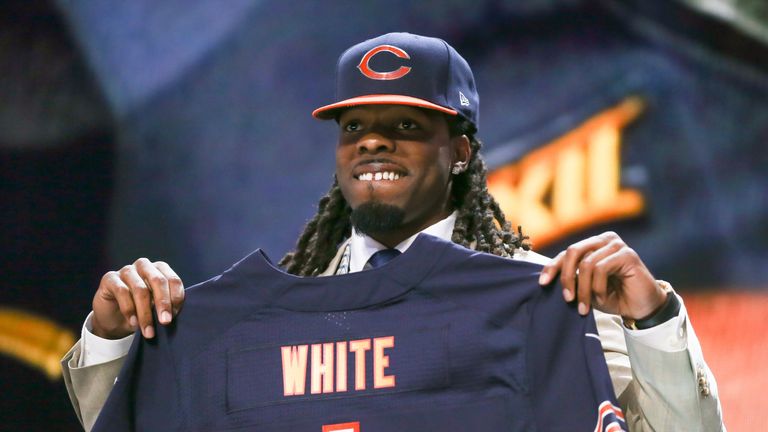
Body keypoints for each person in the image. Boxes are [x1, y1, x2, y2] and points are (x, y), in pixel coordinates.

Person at [62, 32, 724, 431]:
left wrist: (652, 323)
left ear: (460, 150)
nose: (372, 142)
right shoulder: (251, 318)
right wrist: (117, 344)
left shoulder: (546, 304)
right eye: (355, 128)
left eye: (407, 125)